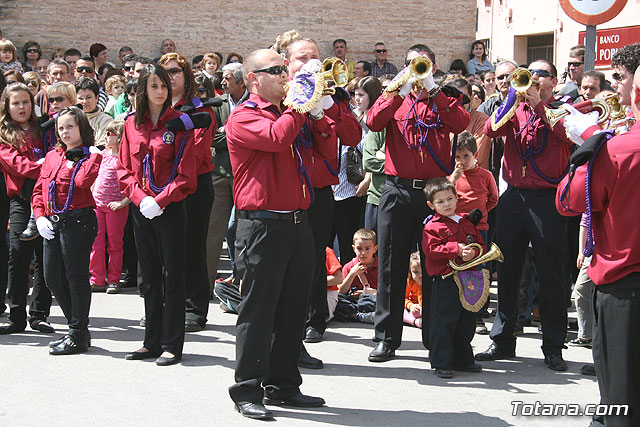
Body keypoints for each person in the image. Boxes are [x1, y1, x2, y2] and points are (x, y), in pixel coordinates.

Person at [226, 48, 329, 420]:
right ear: (254, 78)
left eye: (285, 69)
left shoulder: (291, 112)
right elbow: (276, 138)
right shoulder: (244, 116)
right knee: (258, 310)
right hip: (262, 225)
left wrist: (317, 109)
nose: (285, 75)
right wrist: (300, 104)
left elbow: (331, 142)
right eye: (276, 70)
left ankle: (284, 384)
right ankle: (247, 389)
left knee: (292, 309)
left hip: (297, 222)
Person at [366, 43, 470, 362]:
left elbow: (461, 123)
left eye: (422, 65)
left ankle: (434, 338)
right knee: (391, 266)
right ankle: (386, 337)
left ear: (433, 68)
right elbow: (372, 121)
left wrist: (433, 90)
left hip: (433, 194)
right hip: (397, 191)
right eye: (410, 64)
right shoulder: (396, 98)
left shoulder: (444, 98)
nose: (416, 69)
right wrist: (398, 89)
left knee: (435, 268)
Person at [555, 64, 640, 427]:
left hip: (625, 287)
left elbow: (569, 200)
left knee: (620, 402)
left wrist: (588, 144)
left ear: (636, 94)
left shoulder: (618, 149)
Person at [475, 59, 572, 371]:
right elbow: (491, 129)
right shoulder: (515, 106)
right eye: (530, 73)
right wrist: (511, 101)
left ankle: (554, 345)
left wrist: (539, 107)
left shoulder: (564, 109)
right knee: (507, 269)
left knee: (551, 273)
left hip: (547, 197)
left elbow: (568, 137)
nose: (533, 79)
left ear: (553, 81)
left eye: (541, 74)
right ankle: (502, 338)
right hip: (515, 195)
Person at [117, 63, 197, 366]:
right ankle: (150, 341)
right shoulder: (130, 124)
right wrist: (139, 199)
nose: (160, 91)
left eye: (164, 85)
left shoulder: (180, 123)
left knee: (172, 276)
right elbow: (124, 169)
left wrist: (160, 201)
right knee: (147, 276)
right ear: (143, 90)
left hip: (170, 207)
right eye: (154, 86)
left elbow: (186, 175)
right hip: (141, 209)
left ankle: (172, 344)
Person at [32, 106, 102, 355]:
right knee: (52, 278)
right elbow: (39, 189)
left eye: (70, 126)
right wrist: (40, 217)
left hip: (78, 221)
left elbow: (82, 182)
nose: (65, 132)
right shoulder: (53, 155)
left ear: (82, 127)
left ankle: (76, 333)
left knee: (76, 278)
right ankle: (79, 330)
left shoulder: (89, 155)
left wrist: (92, 157)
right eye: (61, 127)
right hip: (53, 221)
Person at [158, 52, 216, 332]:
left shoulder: (198, 107)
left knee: (192, 246)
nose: (170, 77)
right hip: (161, 186)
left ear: (185, 75)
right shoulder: (154, 108)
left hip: (193, 184)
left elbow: (198, 148)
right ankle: (168, 305)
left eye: (175, 71)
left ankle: (195, 308)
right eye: (165, 72)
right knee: (165, 249)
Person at [0, 83, 54, 335]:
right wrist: (45, 166)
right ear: (7, 106)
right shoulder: (3, 134)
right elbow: (17, 165)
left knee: (45, 258)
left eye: (25, 102)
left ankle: (39, 314)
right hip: (21, 200)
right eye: (15, 103)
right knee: (18, 256)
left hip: (48, 198)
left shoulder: (43, 129)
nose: (21, 107)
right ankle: (16, 315)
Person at [422, 177, 485, 378]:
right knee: (444, 321)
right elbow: (431, 250)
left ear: (457, 198)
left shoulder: (467, 222)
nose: (446, 204)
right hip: (446, 280)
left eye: (450, 199)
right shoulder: (432, 227)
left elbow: (480, 245)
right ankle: (441, 362)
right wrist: (455, 249)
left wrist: (474, 253)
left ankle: (463, 359)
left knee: (466, 320)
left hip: (468, 278)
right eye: (440, 202)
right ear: (431, 205)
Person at [331, 76, 381, 265]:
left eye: (361, 95)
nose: (357, 99)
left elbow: (371, 154)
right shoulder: (352, 116)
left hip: (354, 187)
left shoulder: (373, 122)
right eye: (355, 95)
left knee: (349, 241)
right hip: (334, 185)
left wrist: (367, 178)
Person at [207, 62, 248, 288]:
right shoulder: (217, 105)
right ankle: (205, 284)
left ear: (241, 81)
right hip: (220, 173)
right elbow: (211, 137)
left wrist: (229, 131)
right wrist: (240, 135)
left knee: (242, 232)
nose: (222, 82)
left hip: (247, 177)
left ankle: (242, 283)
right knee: (213, 232)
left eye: (228, 78)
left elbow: (256, 135)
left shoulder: (254, 102)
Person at [89, 120, 129, 294]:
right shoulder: (102, 154)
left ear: (119, 137)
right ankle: (96, 278)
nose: (106, 137)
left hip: (116, 207)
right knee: (96, 243)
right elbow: (93, 176)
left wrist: (123, 202)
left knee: (115, 244)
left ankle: (114, 280)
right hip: (97, 204)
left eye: (110, 134)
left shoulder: (124, 157)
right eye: (106, 133)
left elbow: (132, 182)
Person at [334, 228, 378, 324]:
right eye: (359, 248)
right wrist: (352, 274)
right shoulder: (349, 267)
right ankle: (359, 316)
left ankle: (353, 315)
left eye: (367, 249)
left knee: (380, 301)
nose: (363, 253)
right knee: (336, 300)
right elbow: (340, 291)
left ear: (375, 249)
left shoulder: (380, 267)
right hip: (354, 302)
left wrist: (372, 292)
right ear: (354, 248)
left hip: (373, 299)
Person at [74, 77, 113, 146]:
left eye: (88, 97)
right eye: (80, 98)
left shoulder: (106, 120)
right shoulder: (72, 118)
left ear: (96, 98)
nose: (84, 101)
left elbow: (104, 144)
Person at [403, 252, 423, 328]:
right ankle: (415, 322)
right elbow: (404, 298)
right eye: (416, 272)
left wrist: (421, 286)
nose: (420, 275)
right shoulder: (409, 281)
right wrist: (410, 305)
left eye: (422, 271)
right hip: (414, 309)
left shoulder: (429, 282)